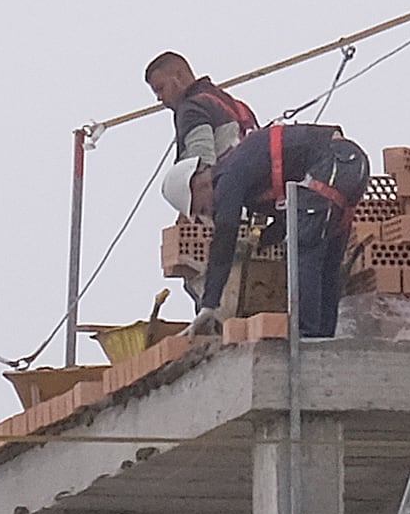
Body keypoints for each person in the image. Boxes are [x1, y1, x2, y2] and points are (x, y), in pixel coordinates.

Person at [192, 122, 373, 340]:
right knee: (326, 261)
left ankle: (307, 337)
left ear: (198, 184)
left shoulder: (227, 177)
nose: (209, 213)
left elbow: (225, 236)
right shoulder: (248, 176)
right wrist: (263, 238)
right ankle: (323, 339)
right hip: (349, 165)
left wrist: (209, 304)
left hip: (335, 162)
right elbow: (287, 217)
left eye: (202, 208)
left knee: (303, 248)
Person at [143, 50, 256, 210]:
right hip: (253, 202)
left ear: (179, 76)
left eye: (161, 88)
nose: (159, 98)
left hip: (225, 205)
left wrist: (194, 217)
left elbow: (201, 165)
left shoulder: (191, 109)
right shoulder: (235, 105)